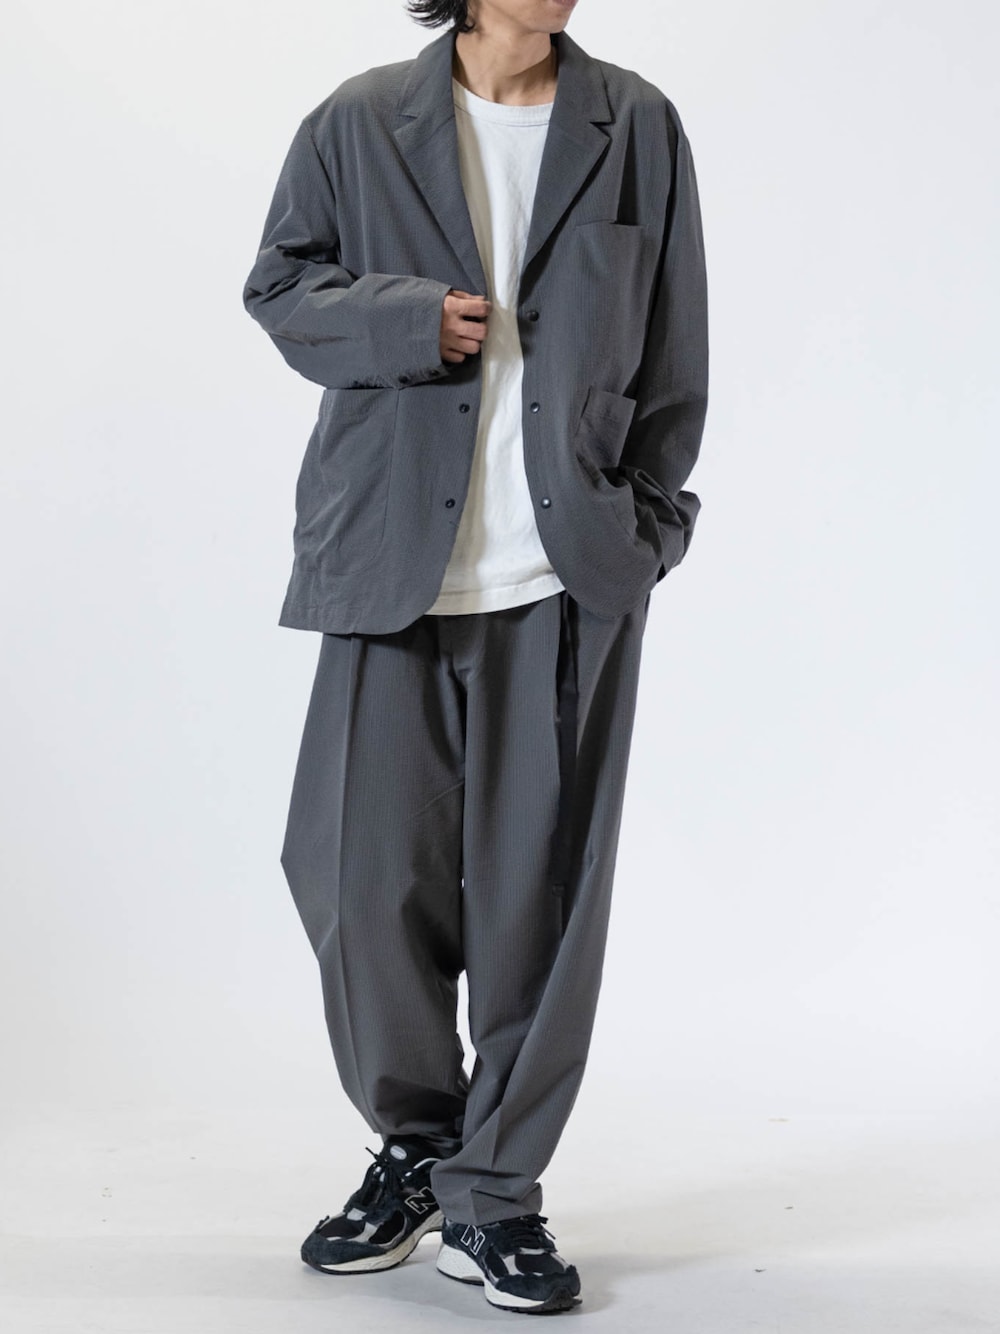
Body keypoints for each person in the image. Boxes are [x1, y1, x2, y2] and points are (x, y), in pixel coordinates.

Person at [241, 0, 708, 1315]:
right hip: (390, 561)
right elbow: (278, 289)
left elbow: (674, 347)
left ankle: (496, 1194)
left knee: (535, 908)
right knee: (355, 878)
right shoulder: (357, 121)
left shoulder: (637, 127)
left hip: (564, 579)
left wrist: (645, 530)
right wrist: (406, 321)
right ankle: (420, 1145)